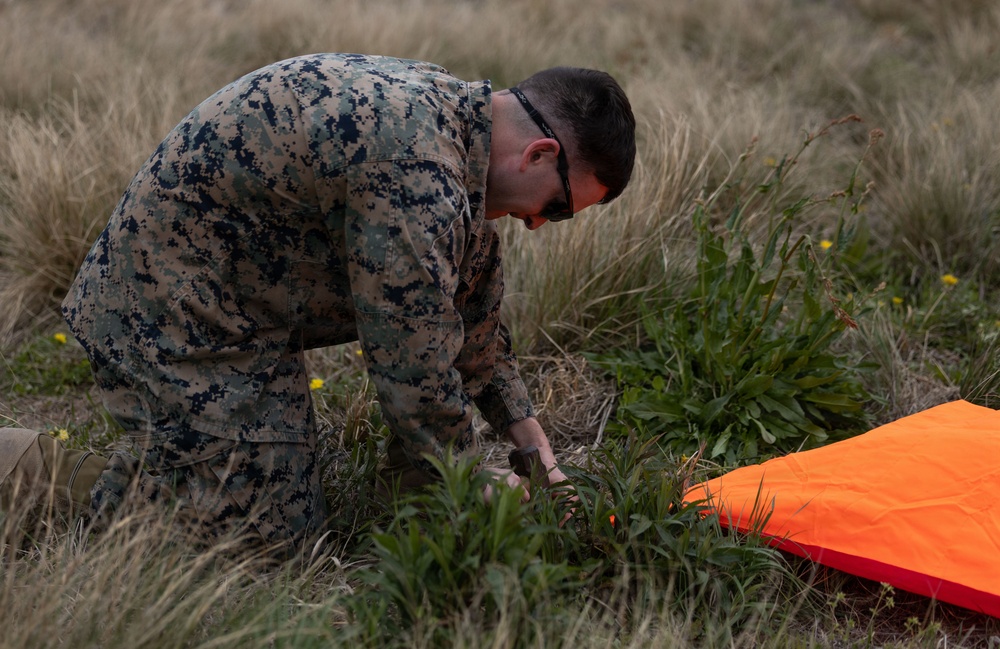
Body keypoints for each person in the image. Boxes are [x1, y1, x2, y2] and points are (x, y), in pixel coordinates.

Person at [1, 53, 636, 557]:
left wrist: (535, 451)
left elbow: (466, 314)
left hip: (243, 310)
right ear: (539, 153)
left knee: (289, 514)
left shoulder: (456, 131)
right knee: (254, 538)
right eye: (555, 206)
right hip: (166, 310)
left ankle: (419, 501)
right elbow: (411, 363)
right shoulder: (414, 167)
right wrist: (469, 475)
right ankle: (27, 467)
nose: (538, 226)